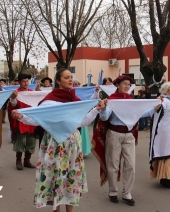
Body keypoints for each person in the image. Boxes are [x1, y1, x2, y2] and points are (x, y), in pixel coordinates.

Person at [11, 68, 105, 212]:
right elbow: (38, 120)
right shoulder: (49, 101)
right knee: (56, 178)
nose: (70, 80)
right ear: (58, 81)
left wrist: (96, 109)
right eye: (66, 77)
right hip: (54, 145)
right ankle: (56, 209)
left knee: (71, 178)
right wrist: (22, 117)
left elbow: (82, 121)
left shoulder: (75, 100)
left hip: (73, 143)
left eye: (71, 77)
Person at [98, 75, 157, 206]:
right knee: (113, 164)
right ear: (118, 85)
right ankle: (113, 191)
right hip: (114, 134)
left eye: (129, 84)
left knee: (130, 165)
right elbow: (105, 117)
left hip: (129, 135)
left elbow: (140, 113)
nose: (127, 86)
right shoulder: (112, 100)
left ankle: (127, 193)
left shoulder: (131, 100)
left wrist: (154, 107)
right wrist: (102, 109)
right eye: (124, 84)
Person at [8, 73, 38, 170]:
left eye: (27, 81)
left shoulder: (31, 92)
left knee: (31, 141)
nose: (26, 83)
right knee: (21, 140)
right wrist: (13, 97)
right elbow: (13, 105)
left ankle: (27, 160)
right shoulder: (16, 93)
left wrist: (38, 93)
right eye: (24, 81)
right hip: (20, 120)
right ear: (19, 82)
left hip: (31, 120)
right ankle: (18, 160)